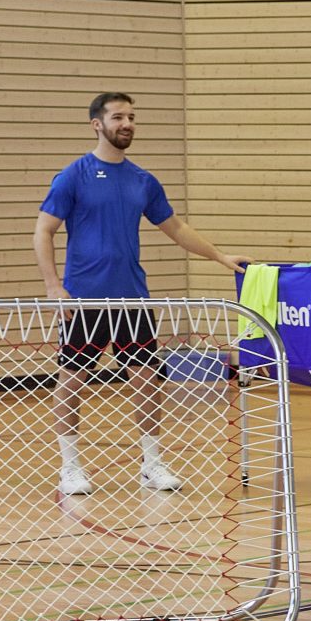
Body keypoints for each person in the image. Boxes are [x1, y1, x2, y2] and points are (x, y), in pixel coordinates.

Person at [33, 93, 247, 496]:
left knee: (149, 380)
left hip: (134, 298)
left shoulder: (142, 181)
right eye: (118, 117)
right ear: (97, 124)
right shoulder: (73, 176)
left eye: (131, 117)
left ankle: (151, 463)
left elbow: (178, 229)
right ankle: (70, 466)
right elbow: (43, 230)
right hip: (85, 300)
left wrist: (219, 256)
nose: (126, 123)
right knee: (73, 380)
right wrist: (53, 287)